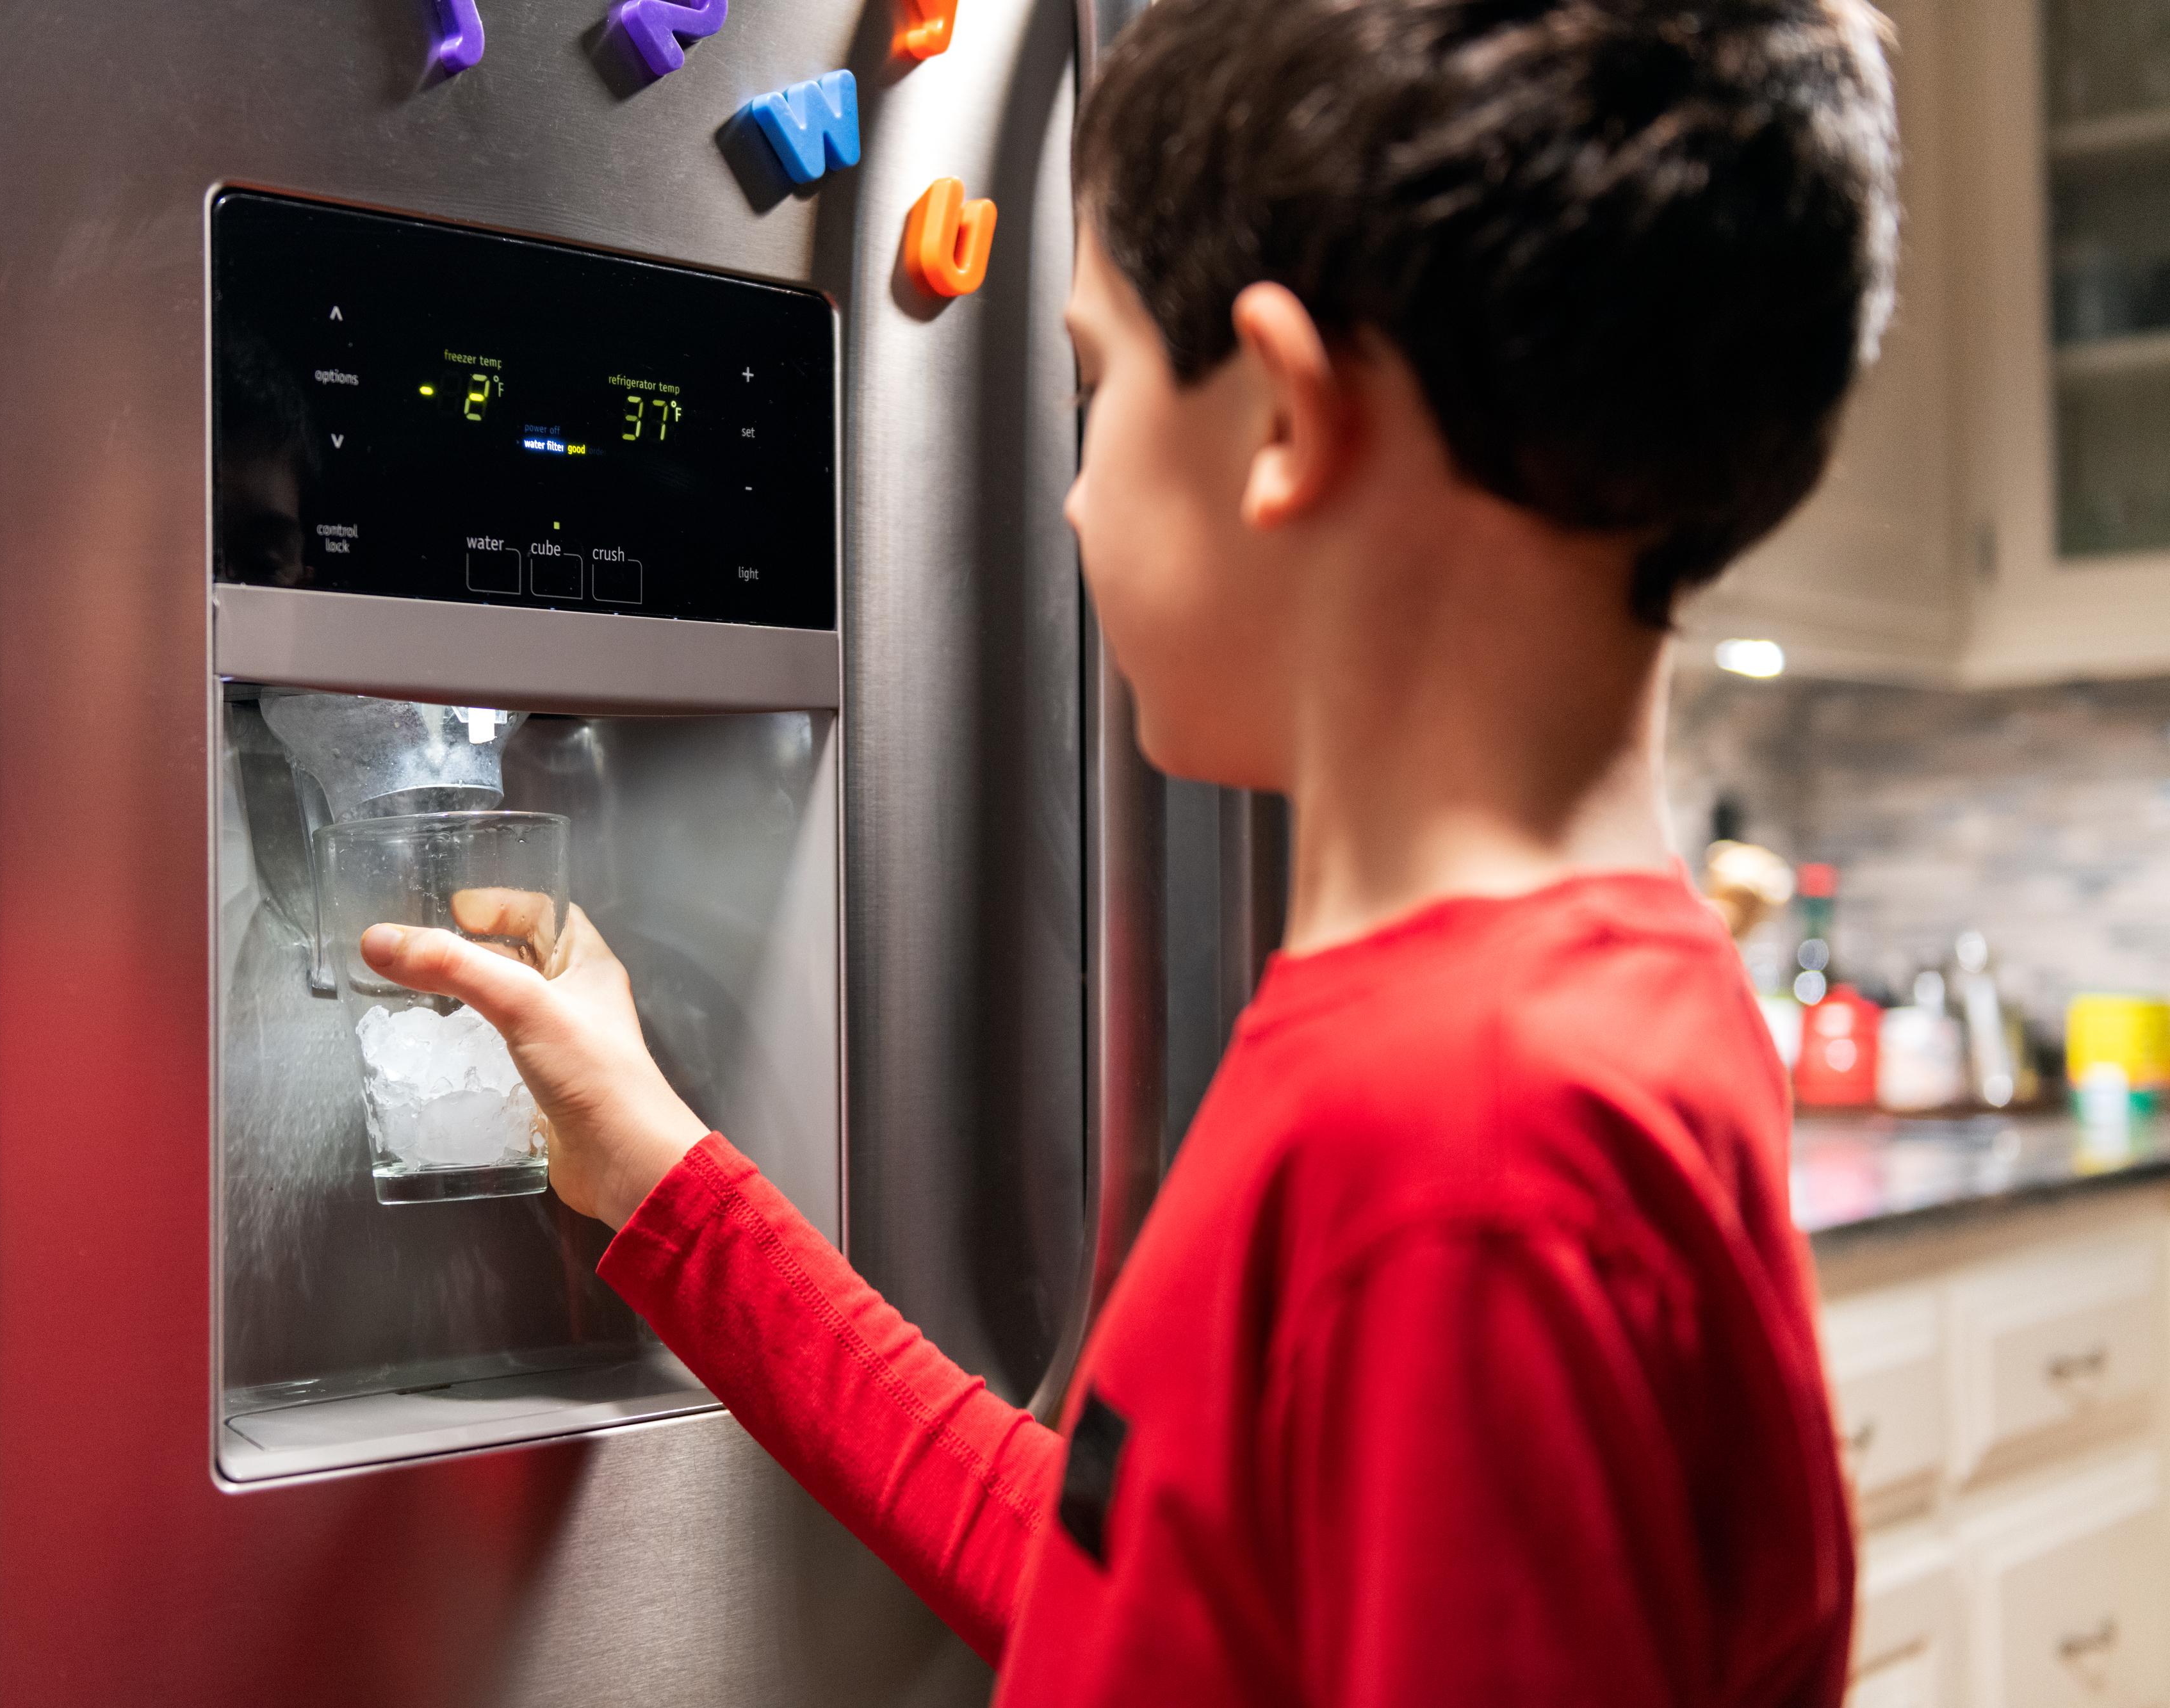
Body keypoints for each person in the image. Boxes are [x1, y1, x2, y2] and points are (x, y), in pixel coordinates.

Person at [361, 0, 1894, 1698]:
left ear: (1288, 425)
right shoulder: (1560, 1038)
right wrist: (665, 1179)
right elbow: (1147, 1597)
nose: (1076, 496)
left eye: (1095, 382)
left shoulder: (1466, 1156)